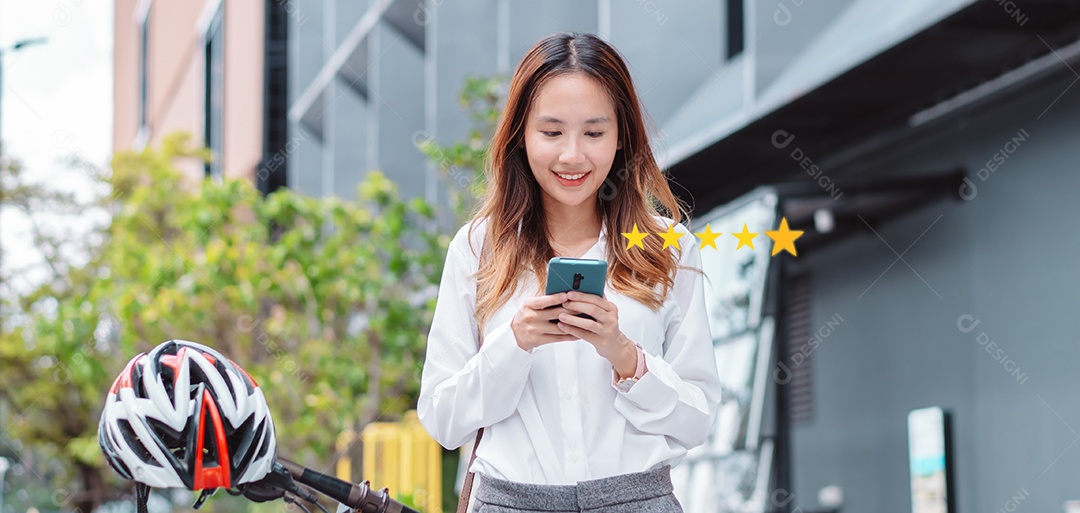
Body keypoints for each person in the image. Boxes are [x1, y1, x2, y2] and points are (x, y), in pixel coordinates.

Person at [418, 32, 721, 513]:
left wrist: (625, 356)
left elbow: (698, 420)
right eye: (552, 132)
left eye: (594, 133)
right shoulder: (479, 249)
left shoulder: (667, 247)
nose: (572, 156)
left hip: (636, 500)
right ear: (520, 135)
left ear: (622, 138)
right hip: (510, 502)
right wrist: (514, 343)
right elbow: (442, 419)